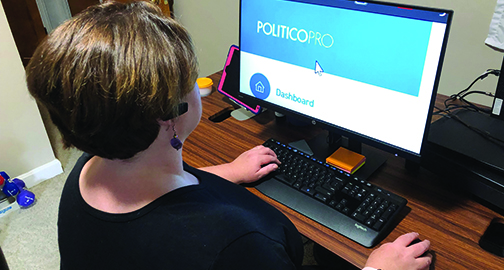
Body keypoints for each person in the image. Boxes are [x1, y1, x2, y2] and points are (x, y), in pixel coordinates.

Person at [25, 1, 432, 270]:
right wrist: (379, 268)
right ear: (172, 112)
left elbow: (158, 188)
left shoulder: (88, 170)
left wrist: (229, 172)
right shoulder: (233, 246)